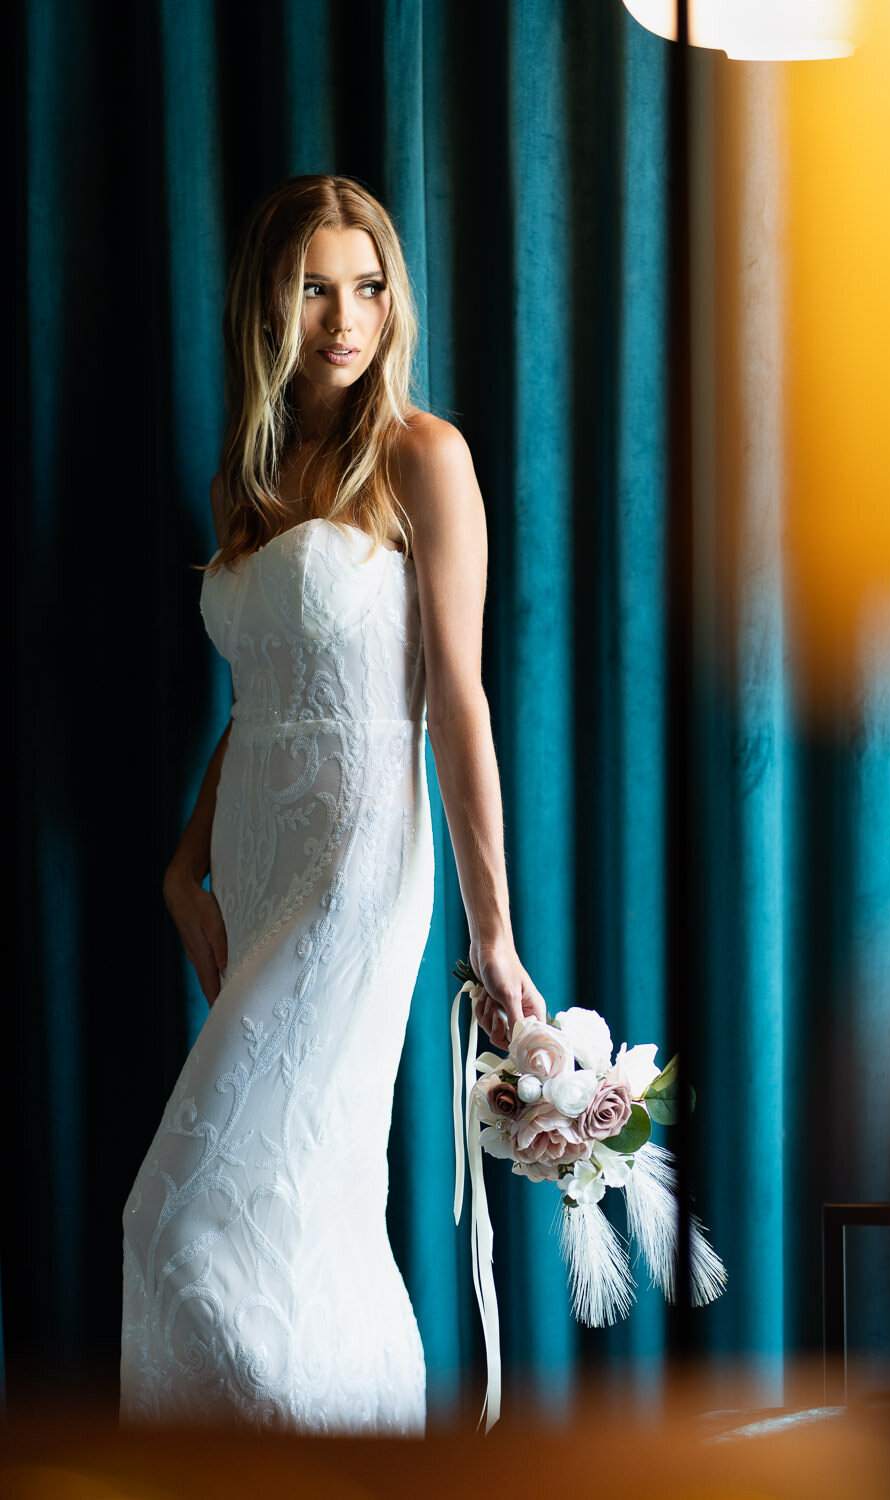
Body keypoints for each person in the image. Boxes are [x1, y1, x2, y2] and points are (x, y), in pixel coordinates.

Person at [121, 174, 543, 1433]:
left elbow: (457, 702)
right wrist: (178, 868)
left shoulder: (422, 455)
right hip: (256, 850)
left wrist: (495, 931)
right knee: (305, 1206)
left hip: (362, 855)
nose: (344, 319)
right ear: (269, 301)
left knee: (179, 1218)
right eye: (314, 288)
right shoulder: (243, 483)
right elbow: (252, 705)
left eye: (365, 288)